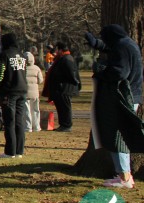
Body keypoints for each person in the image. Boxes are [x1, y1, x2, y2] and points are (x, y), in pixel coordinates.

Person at [85, 25, 144, 189]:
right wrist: (97, 44)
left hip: (123, 97)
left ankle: (124, 176)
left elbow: (119, 72)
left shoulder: (122, 47)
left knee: (117, 136)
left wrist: (101, 72)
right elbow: (112, 49)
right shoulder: (128, 44)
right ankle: (125, 175)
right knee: (121, 134)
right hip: (132, 95)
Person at [0, 33, 28, 159]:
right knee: (19, 121)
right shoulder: (22, 55)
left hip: (9, 91)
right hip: (22, 90)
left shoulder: (4, 55)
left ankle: (9, 151)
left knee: (9, 121)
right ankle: (19, 151)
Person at [44, 43, 80, 131]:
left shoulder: (67, 59)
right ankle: (63, 124)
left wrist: (75, 82)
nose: (56, 52)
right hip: (60, 88)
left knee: (65, 107)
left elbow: (71, 73)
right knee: (61, 107)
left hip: (65, 88)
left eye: (57, 49)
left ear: (60, 50)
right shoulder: (62, 58)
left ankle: (67, 125)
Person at [24, 51, 43, 133]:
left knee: (27, 110)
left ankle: (28, 127)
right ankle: (36, 127)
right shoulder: (37, 68)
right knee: (35, 110)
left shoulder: (23, 69)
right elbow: (40, 80)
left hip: (25, 92)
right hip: (35, 93)